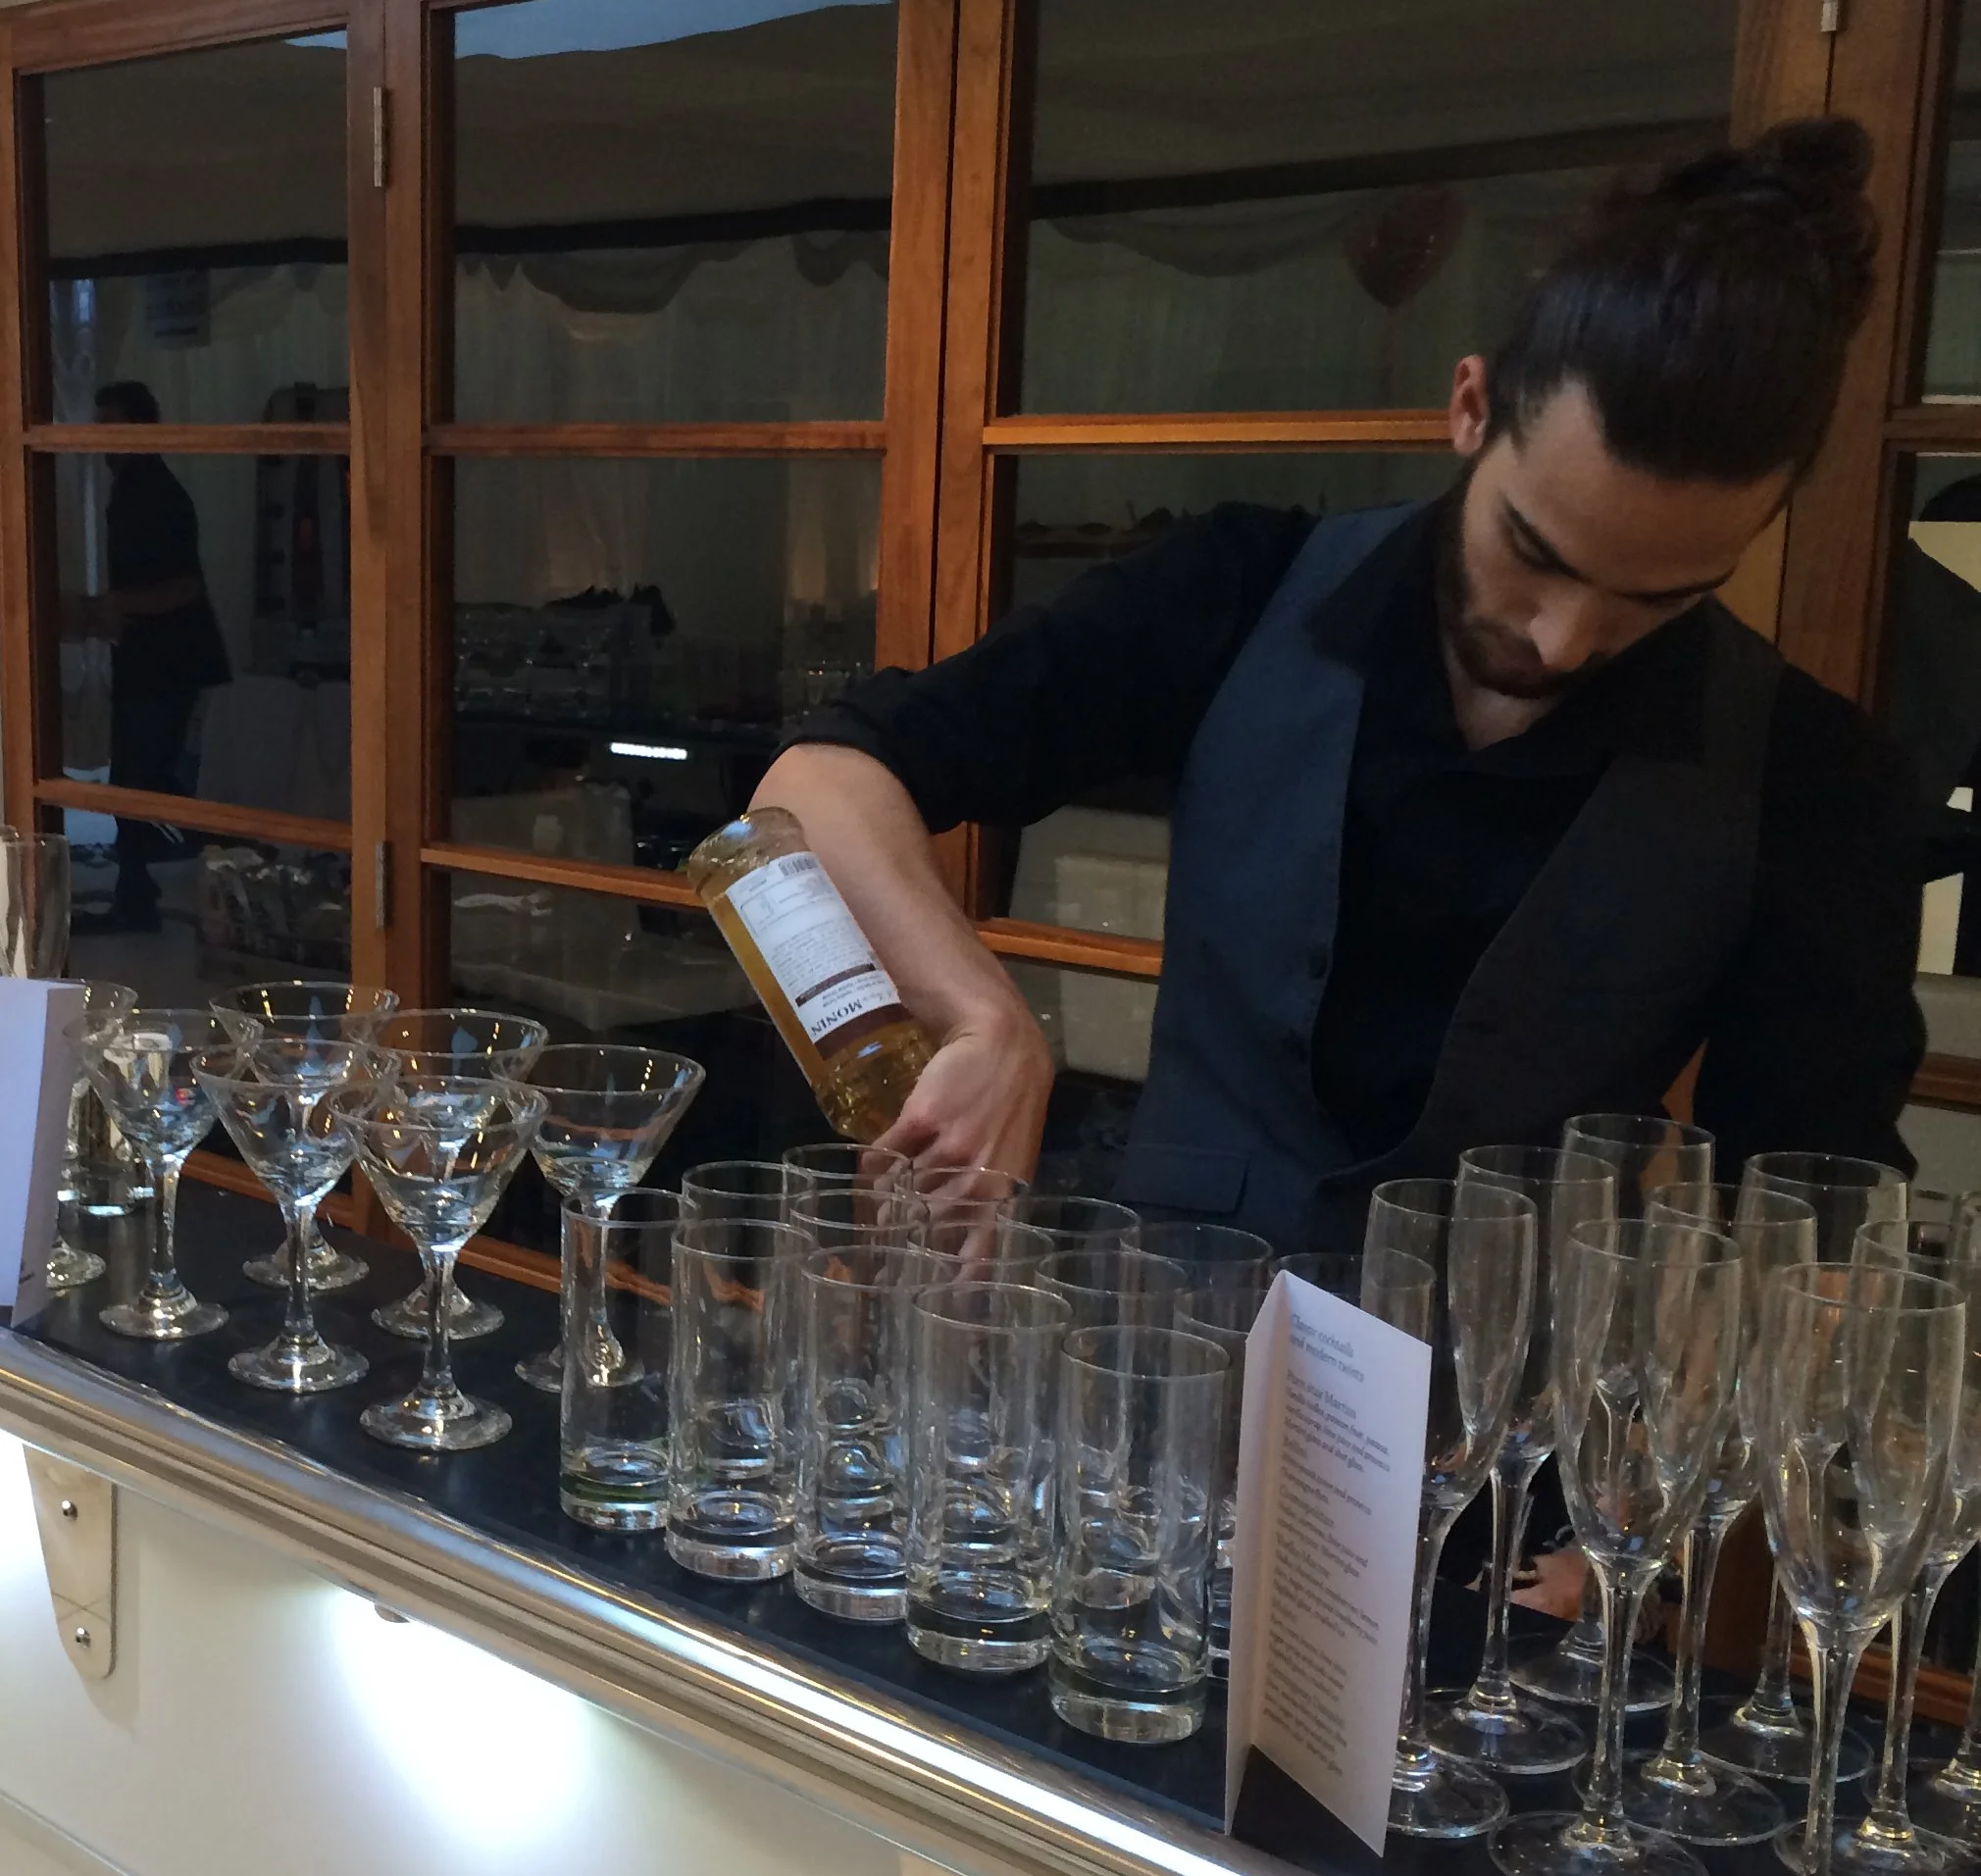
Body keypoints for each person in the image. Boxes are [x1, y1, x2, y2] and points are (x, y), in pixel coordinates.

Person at [758, 119, 1923, 1249]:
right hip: (1168, 1353)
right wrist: (980, 1014)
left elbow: (1806, 1205)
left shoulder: (1810, 772)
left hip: (1523, 1418)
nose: (1565, 640)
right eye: (1534, 552)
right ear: (1469, 408)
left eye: (1658, 595)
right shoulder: (1240, 588)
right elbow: (816, 781)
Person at [73, 380, 230, 934]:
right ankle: (136, 891)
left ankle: (149, 889)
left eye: (111, 427)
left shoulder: (152, 491)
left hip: (167, 663)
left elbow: (183, 587)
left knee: (146, 779)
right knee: (138, 777)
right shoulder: (136, 487)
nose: (102, 441)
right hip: (153, 660)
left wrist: (115, 605)